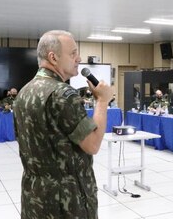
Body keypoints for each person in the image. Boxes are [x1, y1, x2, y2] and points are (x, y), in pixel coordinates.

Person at [14, 30, 112, 218]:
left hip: (34, 196)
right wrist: (102, 101)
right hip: (66, 202)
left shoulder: (23, 93)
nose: (79, 58)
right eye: (73, 53)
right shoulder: (63, 94)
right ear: (53, 57)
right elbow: (92, 144)